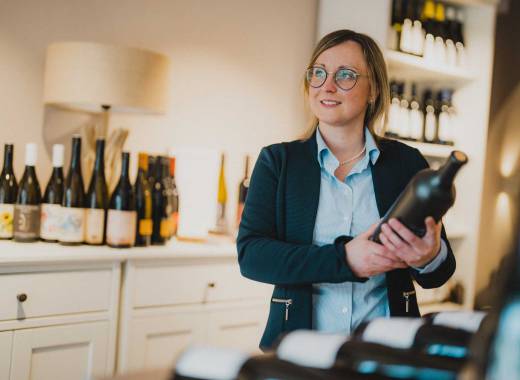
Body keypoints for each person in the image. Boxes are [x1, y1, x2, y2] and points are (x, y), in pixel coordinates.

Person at [236, 29, 455, 351]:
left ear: (374, 90)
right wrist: (346, 260)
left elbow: (438, 274)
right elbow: (252, 256)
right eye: (319, 73)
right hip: (299, 353)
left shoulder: (407, 163)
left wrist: (429, 256)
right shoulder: (278, 161)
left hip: (387, 353)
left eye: (346, 75)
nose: (327, 85)